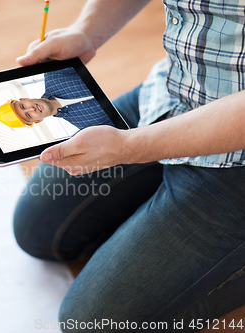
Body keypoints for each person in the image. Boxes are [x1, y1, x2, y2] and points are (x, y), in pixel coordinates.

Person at [13, 0, 245, 332]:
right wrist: (86, 31)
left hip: (239, 155)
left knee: (92, 324)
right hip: (173, 94)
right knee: (38, 232)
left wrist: (130, 147)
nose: (31, 109)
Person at [0, 68, 113, 129]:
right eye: (28, 115)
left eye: (23, 106)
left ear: (24, 99)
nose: (32, 109)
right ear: (37, 121)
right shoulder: (87, 126)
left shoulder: (54, 74)